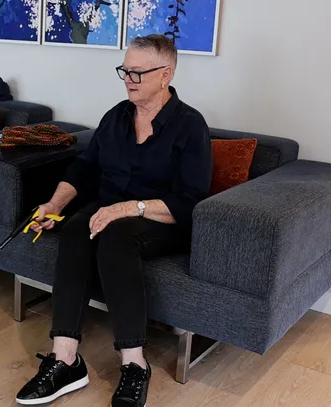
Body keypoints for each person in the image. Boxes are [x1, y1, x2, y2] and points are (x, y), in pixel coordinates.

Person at [14, 34, 213, 407]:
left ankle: (135, 365)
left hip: (162, 220)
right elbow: (85, 169)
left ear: (165, 74)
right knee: (75, 229)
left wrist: (128, 208)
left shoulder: (190, 126)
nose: (128, 79)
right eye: (125, 71)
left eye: (137, 73)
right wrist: (54, 204)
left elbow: (189, 201)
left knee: (117, 236)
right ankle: (65, 359)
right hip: (110, 209)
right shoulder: (116, 116)